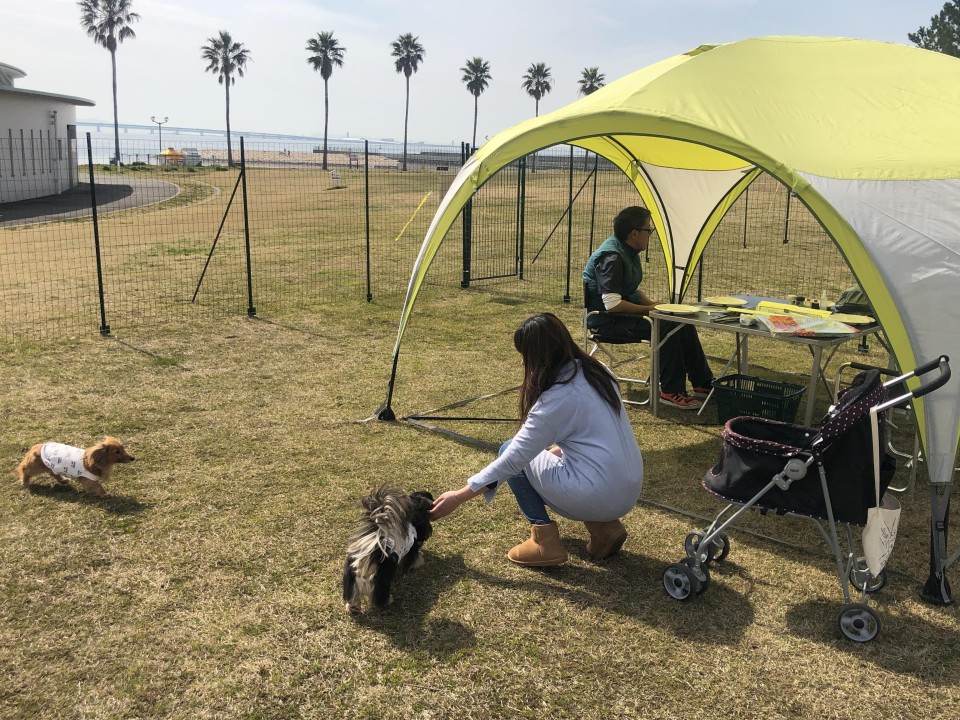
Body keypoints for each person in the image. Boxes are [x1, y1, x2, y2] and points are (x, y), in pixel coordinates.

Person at [429, 313, 644, 567]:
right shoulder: (599, 371)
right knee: (540, 457)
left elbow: (513, 459)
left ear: (534, 357)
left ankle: (545, 541)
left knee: (509, 449)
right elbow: (587, 442)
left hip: (597, 493)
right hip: (629, 488)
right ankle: (604, 527)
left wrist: (458, 496)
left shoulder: (556, 399)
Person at [583, 205, 714, 410]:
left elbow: (631, 290)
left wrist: (656, 305)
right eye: (648, 230)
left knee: (682, 323)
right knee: (667, 327)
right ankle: (671, 391)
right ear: (634, 233)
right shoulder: (612, 257)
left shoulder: (627, 250)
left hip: (621, 318)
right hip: (607, 323)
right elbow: (612, 304)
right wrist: (651, 311)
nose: (650, 234)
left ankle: (703, 384)